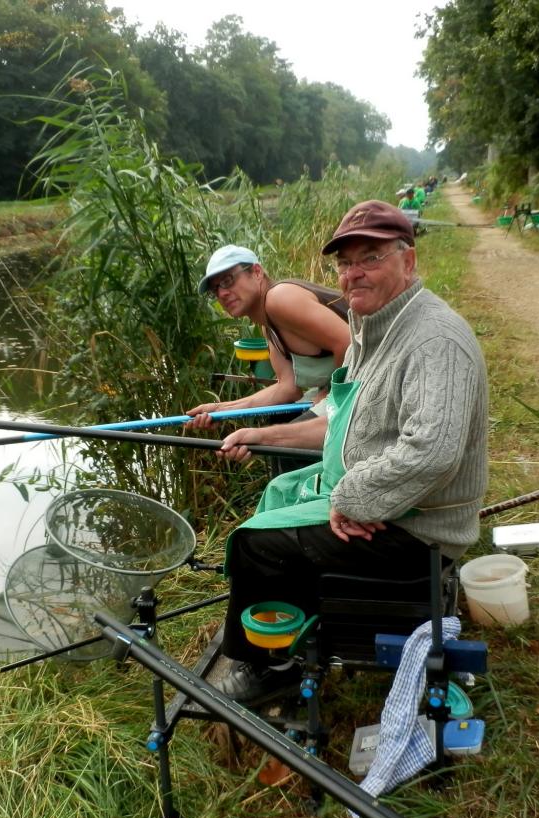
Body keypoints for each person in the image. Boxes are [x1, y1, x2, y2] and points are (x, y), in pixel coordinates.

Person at [211, 200, 489, 700]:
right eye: (344, 263)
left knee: (255, 543)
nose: (353, 274)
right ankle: (290, 621)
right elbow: (340, 423)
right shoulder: (371, 328)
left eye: (370, 258)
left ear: (408, 262)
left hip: (414, 526)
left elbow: (433, 451)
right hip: (380, 501)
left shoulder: (434, 340)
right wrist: (262, 435)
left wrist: (351, 499)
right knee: (278, 489)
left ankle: (270, 670)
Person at [187, 245, 350, 431]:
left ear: (257, 272)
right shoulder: (269, 327)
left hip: (379, 369)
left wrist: (331, 392)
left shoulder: (280, 298)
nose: (222, 294)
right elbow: (287, 388)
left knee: (288, 445)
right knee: (277, 420)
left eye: (228, 281)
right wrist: (220, 410)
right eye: (215, 290)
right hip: (356, 379)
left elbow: (348, 342)